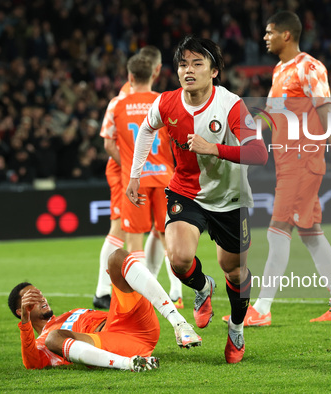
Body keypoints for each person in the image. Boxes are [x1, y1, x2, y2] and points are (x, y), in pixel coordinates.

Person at [126, 35, 268, 363]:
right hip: (186, 191)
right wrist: (135, 174)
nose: (188, 70)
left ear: (214, 71)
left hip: (230, 198)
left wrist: (212, 147)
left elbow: (259, 153)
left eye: (197, 63)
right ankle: (202, 288)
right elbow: (147, 129)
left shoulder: (230, 104)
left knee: (233, 271)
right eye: (183, 64)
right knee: (178, 259)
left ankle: (235, 327)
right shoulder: (166, 103)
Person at [231, 11, 331, 327]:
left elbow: (327, 114)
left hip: (303, 160)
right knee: (311, 234)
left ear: (287, 35)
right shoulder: (280, 70)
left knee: (278, 229)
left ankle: (262, 307)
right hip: (287, 161)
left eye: (270, 32)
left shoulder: (309, 67)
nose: (265, 37)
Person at [8, 249, 201, 371]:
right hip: (115, 342)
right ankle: (130, 364)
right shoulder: (43, 342)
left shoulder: (69, 313)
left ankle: (180, 324)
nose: (41, 297)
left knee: (117, 258)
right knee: (54, 338)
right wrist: (25, 324)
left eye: (40, 293)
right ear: (21, 310)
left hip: (133, 324)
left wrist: (120, 281)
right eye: (31, 297)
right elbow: (31, 363)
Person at [94, 46, 184, 310]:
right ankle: (177, 291)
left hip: (136, 180)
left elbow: (109, 143)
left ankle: (140, 298)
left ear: (130, 76)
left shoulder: (118, 103)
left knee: (131, 238)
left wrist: (131, 169)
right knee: (168, 235)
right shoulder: (165, 100)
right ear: (155, 73)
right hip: (165, 177)